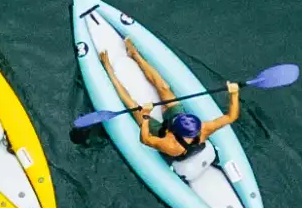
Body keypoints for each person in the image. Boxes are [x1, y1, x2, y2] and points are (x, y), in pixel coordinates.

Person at [102, 32, 239, 165]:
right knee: (164, 88)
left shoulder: (171, 145)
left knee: (133, 106)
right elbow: (231, 116)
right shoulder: (203, 127)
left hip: (161, 133)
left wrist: (145, 116)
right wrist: (234, 94)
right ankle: (135, 55)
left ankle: (108, 69)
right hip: (175, 130)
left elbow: (145, 139)